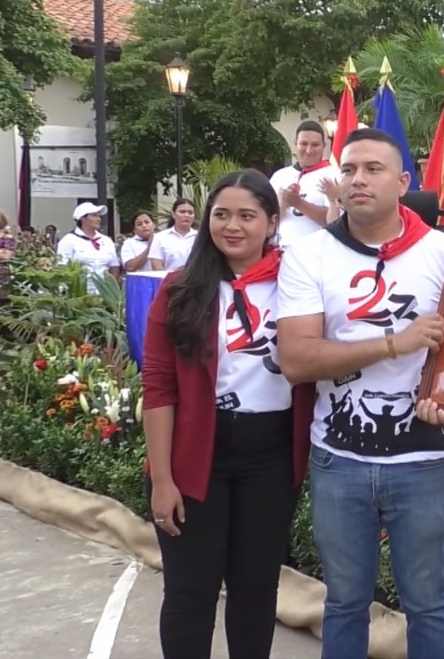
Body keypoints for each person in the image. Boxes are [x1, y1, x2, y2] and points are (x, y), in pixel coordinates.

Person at [276, 128, 444, 659]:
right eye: (349, 168)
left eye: (373, 169)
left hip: (423, 458)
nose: (358, 179)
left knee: (427, 603)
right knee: (344, 602)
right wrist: (393, 343)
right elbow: (297, 360)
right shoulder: (310, 255)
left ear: (402, 182)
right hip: (339, 461)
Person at [141, 169, 314, 659]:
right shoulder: (179, 289)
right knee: (190, 592)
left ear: (272, 221)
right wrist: (162, 479)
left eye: (246, 215)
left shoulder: (298, 284)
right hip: (198, 455)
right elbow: (158, 386)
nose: (231, 226)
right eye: (221, 214)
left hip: (272, 457)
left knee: (255, 590)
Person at [269, 121, 339, 249]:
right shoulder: (279, 176)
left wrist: (298, 203)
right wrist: (283, 203)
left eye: (315, 145)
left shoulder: (333, 175)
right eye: (304, 144)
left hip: (315, 254)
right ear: (295, 144)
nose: (309, 150)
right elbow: (266, 220)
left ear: (324, 146)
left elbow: (335, 222)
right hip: (278, 252)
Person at [56, 202, 120, 288]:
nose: (98, 219)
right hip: (79, 291)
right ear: (82, 218)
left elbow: (114, 266)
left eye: (98, 216)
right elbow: (63, 268)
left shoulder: (106, 240)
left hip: (104, 292)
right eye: (94, 215)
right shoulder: (68, 240)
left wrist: (112, 289)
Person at [150, 198, 198, 271]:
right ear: (173, 214)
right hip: (169, 281)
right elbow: (157, 265)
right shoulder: (160, 237)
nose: (186, 215)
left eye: (190, 212)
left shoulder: (201, 237)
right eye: (182, 212)